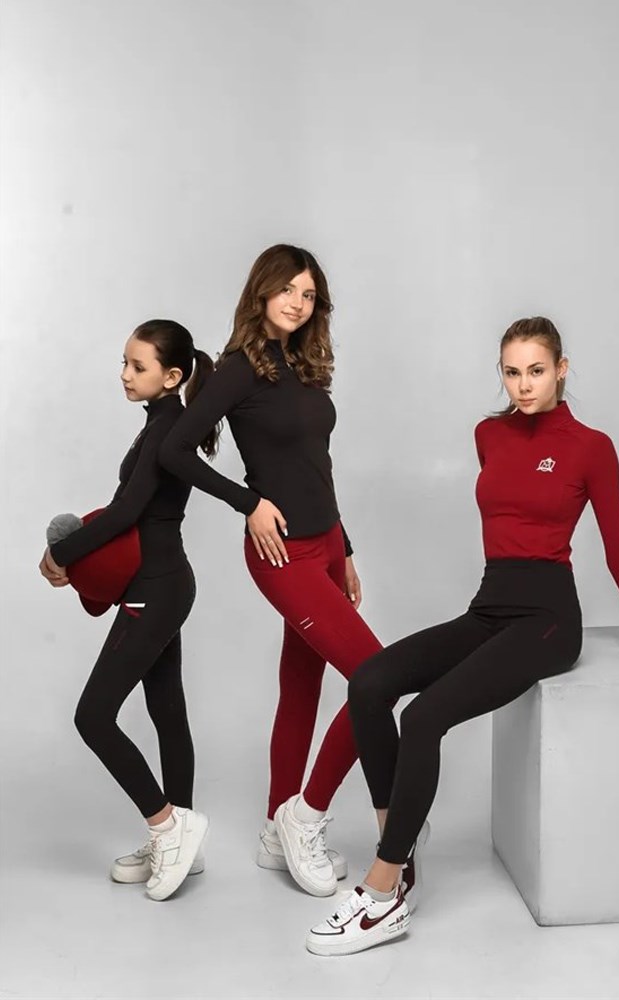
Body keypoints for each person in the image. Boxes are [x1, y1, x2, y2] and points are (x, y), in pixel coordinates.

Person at [307, 315, 619, 956]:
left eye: (536, 371)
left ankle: (384, 891)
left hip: (548, 620)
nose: (524, 385)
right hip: (489, 608)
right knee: (369, 683)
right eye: (511, 372)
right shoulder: (490, 434)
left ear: (562, 369)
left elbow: (617, 546)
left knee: (423, 717)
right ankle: (401, 845)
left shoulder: (591, 447)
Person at [159, 244, 383, 897]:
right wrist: (248, 503)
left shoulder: (303, 366)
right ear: (261, 291)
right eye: (287, 289)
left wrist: (345, 546)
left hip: (326, 545)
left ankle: (273, 828)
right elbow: (175, 449)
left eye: (308, 295)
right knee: (377, 678)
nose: (297, 303)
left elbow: (317, 464)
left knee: (302, 687)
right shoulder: (238, 369)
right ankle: (303, 817)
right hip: (282, 553)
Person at [38, 320, 214, 902]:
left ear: (172, 376)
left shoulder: (165, 431)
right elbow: (129, 511)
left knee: (92, 716)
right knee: (167, 711)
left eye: (138, 367)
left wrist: (62, 553)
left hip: (156, 590)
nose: (124, 375)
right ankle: (182, 837)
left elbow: (125, 512)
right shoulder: (160, 423)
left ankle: (168, 828)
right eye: (124, 363)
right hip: (161, 584)